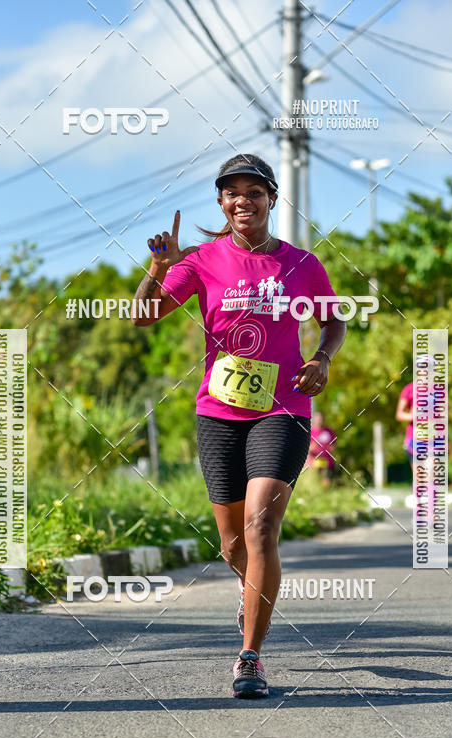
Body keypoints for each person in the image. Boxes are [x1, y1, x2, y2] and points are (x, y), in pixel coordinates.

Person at [132, 153, 346, 699]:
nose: (242, 200)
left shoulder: (301, 264)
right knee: (233, 546)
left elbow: (334, 319)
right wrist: (157, 267)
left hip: (284, 409)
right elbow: (142, 316)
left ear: (272, 199)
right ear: (221, 203)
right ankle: (254, 590)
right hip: (219, 413)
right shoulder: (202, 259)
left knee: (260, 528)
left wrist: (321, 358)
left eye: (254, 191)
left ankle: (250, 657)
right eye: (232, 192)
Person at [306, 411, 337, 482]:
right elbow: (306, 449)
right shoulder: (309, 432)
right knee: (315, 483)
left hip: (327, 463)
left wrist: (327, 448)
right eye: (317, 419)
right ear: (313, 419)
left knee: (326, 484)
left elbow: (333, 446)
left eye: (321, 419)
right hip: (313, 463)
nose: (319, 421)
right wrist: (314, 446)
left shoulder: (329, 431)